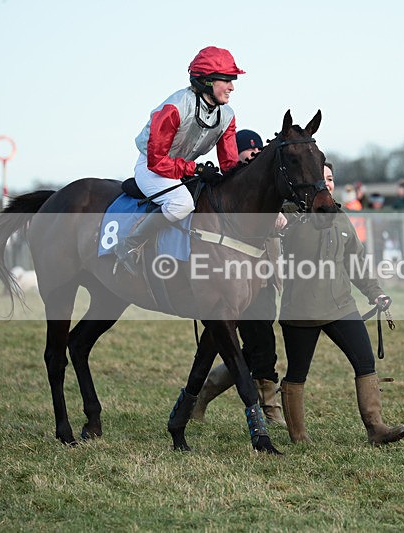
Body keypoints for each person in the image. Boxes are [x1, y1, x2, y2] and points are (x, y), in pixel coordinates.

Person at [278, 162, 404, 446]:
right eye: (320, 177)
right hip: (301, 310)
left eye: (330, 178)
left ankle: (376, 428)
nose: (326, 183)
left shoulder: (340, 216)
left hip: (341, 305)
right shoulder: (289, 215)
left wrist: (375, 293)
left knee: (365, 361)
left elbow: (356, 262)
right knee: (298, 373)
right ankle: (299, 437)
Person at [114, 46, 245, 274]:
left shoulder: (227, 115)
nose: (232, 87)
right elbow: (157, 161)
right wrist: (195, 168)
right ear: (207, 81)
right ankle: (129, 244)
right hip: (152, 168)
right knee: (182, 203)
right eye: (226, 80)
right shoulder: (174, 108)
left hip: (183, 170)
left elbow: (229, 165)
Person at [191, 129, 287, 427]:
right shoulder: (226, 191)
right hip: (232, 279)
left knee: (254, 346)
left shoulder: (264, 186)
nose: (253, 153)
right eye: (247, 149)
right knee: (258, 344)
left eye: (258, 149)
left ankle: (201, 393)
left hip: (263, 276)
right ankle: (269, 410)